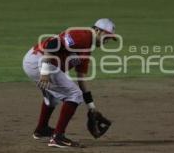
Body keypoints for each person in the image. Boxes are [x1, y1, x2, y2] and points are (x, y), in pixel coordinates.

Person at [22, 18, 116, 148]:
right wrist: (44, 72)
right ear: (97, 30)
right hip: (40, 61)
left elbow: (81, 79)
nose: (109, 40)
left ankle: (41, 129)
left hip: (38, 62)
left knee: (54, 96)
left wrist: (91, 108)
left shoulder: (87, 50)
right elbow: (52, 44)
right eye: (108, 35)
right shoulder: (83, 35)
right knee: (74, 95)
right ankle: (58, 137)